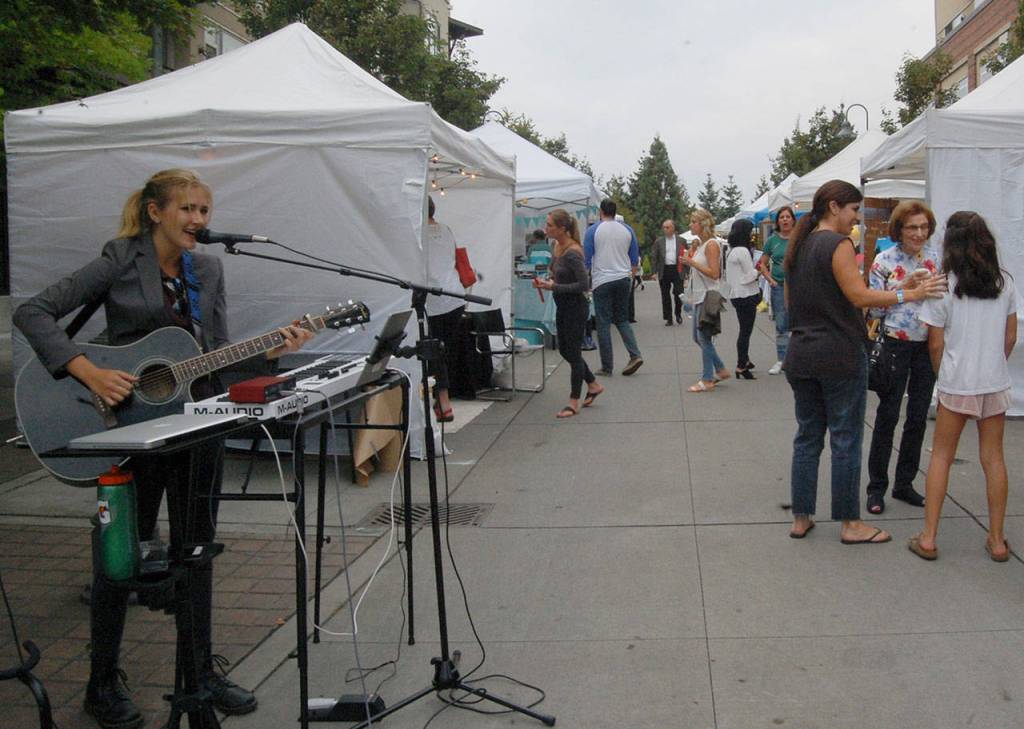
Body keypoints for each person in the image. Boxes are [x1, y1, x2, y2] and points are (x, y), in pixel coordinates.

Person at [13, 168, 312, 729]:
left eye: (204, 210)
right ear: (156, 212)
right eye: (188, 210)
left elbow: (216, 358)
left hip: (196, 430)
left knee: (197, 552)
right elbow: (32, 312)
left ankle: (199, 672)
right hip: (127, 431)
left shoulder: (208, 269)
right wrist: (90, 372)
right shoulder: (119, 260)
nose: (199, 221)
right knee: (119, 558)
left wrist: (272, 354)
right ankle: (102, 683)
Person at [782, 180, 945, 544]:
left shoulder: (800, 245)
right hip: (838, 354)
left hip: (802, 352)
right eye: (854, 210)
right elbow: (858, 296)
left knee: (807, 437)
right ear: (835, 207)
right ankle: (850, 523)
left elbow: (791, 301)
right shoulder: (837, 244)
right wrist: (910, 292)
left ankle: (801, 516)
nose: (856, 219)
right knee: (845, 438)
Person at [909, 212, 1018, 562]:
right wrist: (993, 362)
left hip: (957, 382)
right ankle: (998, 540)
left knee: (940, 456)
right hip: (994, 381)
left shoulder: (942, 286)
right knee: (994, 458)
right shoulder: (1004, 282)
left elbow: (935, 345)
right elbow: (1010, 336)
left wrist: (946, 378)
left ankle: (928, 537)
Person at [864, 201, 942, 514]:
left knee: (918, 416)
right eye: (912, 227)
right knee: (888, 415)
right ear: (899, 229)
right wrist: (903, 286)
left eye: (924, 227)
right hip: (895, 343)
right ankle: (876, 488)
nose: (919, 233)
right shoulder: (883, 261)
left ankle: (904, 483)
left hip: (927, 345)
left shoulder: (934, 258)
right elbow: (873, 309)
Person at [535, 209, 603, 418]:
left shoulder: (573, 252)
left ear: (562, 228)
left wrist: (553, 287)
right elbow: (558, 275)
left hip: (576, 307)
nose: (546, 229)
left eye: (550, 225)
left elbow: (584, 284)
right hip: (563, 305)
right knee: (565, 350)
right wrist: (547, 281)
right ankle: (592, 384)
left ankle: (573, 401)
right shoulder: (557, 247)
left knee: (572, 352)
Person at [583, 199, 644, 376]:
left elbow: (586, 260)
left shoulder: (592, 231)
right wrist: (630, 278)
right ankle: (635, 354)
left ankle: (607, 365)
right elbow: (634, 259)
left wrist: (586, 284)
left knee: (603, 323)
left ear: (601, 212)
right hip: (623, 278)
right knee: (622, 319)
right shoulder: (627, 230)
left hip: (602, 280)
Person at [425, 195, 469, 421]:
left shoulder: (418, 234)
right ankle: (443, 400)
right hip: (455, 296)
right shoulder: (447, 230)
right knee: (445, 350)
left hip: (433, 301)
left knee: (433, 352)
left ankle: (442, 401)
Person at [681, 208, 728, 392]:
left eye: (693, 221)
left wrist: (692, 262)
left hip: (709, 295)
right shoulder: (703, 244)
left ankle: (707, 378)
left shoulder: (711, 245)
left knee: (703, 336)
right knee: (698, 336)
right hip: (701, 295)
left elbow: (714, 273)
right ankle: (720, 368)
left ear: (702, 224)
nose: (690, 225)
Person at [758, 206, 795, 375]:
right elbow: (762, 263)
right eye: (782, 217)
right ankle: (781, 360)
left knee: (798, 324)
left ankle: (796, 359)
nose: (785, 220)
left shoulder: (799, 238)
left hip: (798, 287)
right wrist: (770, 280)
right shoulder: (772, 241)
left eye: (788, 217)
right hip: (779, 286)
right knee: (781, 324)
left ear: (793, 220)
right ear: (778, 221)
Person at [725, 218, 760, 379]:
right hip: (746, 294)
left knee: (743, 329)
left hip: (736, 295)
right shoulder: (743, 251)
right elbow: (748, 276)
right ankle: (741, 365)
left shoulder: (731, 250)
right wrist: (759, 269)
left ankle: (745, 359)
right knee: (746, 331)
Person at [652, 219, 685, 326]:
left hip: (677, 270)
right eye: (664, 227)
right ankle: (669, 318)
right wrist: (654, 272)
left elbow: (686, 255)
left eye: (667, 227)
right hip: (664, 270)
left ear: (673, 228)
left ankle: (678, 313)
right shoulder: (659, 241)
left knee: (679, 293)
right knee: (665, 295)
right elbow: (654, 257)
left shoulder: (681, 241)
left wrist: (687, 271)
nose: (665, 229)